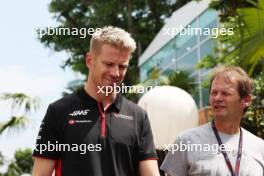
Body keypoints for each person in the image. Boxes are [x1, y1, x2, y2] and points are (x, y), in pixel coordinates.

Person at [32, 26, 160, 176]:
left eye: (122, 66)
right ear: (89, 60)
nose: (116, 73)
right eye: (109, 64)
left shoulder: (139, 116)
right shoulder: (58, 111)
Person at [161, 65, 264, 176]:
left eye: (225, 93)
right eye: (214, 93)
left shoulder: (260, 147)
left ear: (246, 100)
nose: (217, 98)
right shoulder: (186, 141)